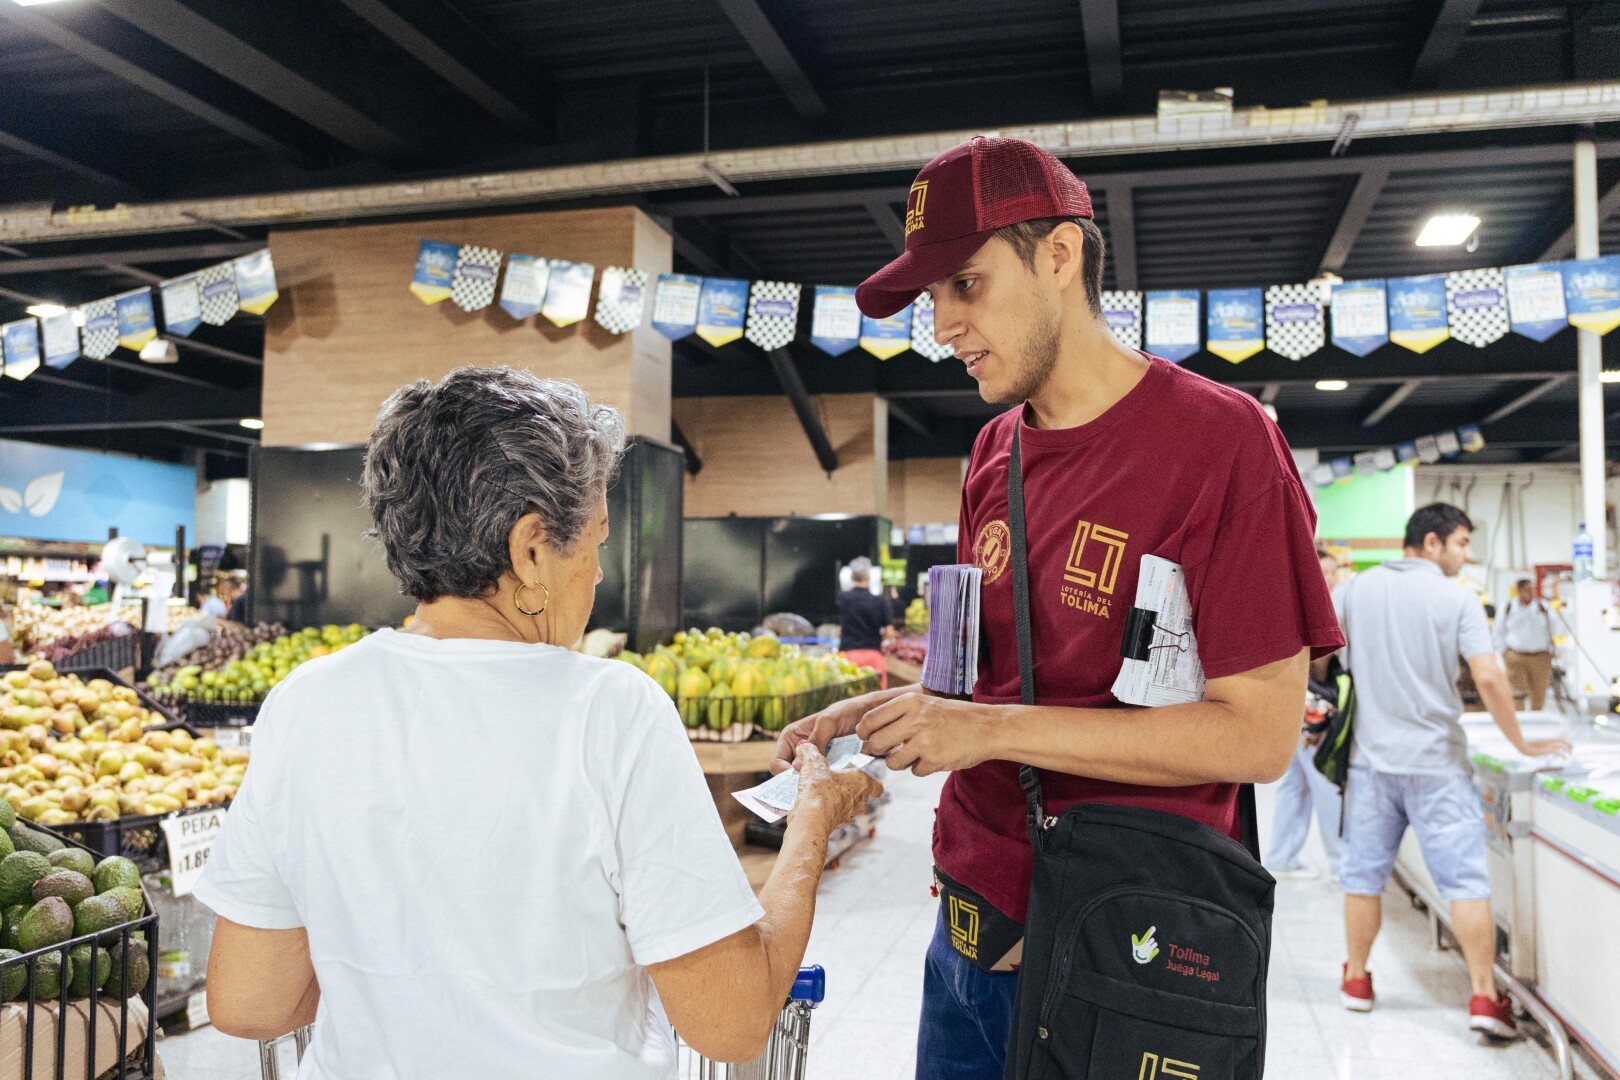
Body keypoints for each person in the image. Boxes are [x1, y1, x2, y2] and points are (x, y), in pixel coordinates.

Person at [770, 136, 1344, 1079]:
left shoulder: (1221, 443)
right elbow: (980, 685)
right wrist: (873, 716)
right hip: (966, 931)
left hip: (1123, 952)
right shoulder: (994, 452)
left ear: (1060, 257)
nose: (942, 324)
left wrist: (992, 731)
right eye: (930, 298)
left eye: (966, 283)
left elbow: (1258, 738)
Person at [196, 366, 881, 1079]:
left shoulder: (309, 702)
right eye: (596, 542)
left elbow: (251, 1004)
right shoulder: (611, 710)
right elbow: (732, 1023)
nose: (599, 574)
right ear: (530, 550)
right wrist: (810, 823)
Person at [1321, 503, 1571, 1038]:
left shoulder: (1353, 591)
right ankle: (1483, 996)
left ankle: (1358, 981)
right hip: (1438, 767)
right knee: (1465, 886)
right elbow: (1488, 675)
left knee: (1362, 878)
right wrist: (1521, 741)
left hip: (1369, 765)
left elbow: (1314, 654)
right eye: (1461, 542)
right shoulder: (1457, 599)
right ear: (1430, 543)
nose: (1469, 554)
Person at [1265, 546, 1347, 883]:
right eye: (1322, 572)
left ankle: (1282, 856)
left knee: (1295, 785)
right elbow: (1320, 663)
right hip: (1312, 710)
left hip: (1298, 707)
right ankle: (1342, 865)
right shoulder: (1313, 607)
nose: (1329, 578)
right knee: (1324, 784)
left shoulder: (1306, 602)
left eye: (1333, 572)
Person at [1495, 577, 1555, 710]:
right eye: (1527, 590)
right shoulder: (1508, 607)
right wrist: (1504, 652)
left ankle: (1536, 719)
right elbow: (1498, 631)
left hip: (1540, 656)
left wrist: (1551, 650)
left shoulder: (1543, 607)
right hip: (1516, 656)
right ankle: (1520, 720)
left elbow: (1554, 628)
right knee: (1517, 693)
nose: (1530, 593)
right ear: (1519, 591)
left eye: (1532, 590)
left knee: (1539, 692)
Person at [837, 556, 893, 688]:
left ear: (851, 577)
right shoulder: (880, 601)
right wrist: (878, 638)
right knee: (878, 701)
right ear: (868, 577)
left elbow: (839, 626)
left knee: (849, 701)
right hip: (874, 656)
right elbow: (890, 632)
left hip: (849, 657)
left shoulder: (843, 598)